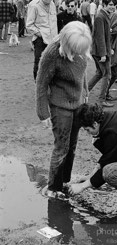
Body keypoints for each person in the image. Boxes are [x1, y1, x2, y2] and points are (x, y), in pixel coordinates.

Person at [36, 21, 92, 197]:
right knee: (62, 147)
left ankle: (65, 181)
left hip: (77, 103)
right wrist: (43, 113)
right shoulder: (52, 53)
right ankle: (53, 188)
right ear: (67, 44)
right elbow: (41, 83)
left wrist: (86, 92)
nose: (79, 54)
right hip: (60, 107)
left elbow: (82, 72)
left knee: (72, 145)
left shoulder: (81, 46)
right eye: (75, 50)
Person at [88, 0, 115, 107]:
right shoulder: (100, 17)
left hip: (101, 51)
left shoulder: (104, 15)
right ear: (104, 5)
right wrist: (103, 54)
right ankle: (101, 99)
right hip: (100, 52)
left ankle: (84, 92)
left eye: (113, 5)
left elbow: (105, 36)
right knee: (107, 75)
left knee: (99, 73)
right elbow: (99, 37)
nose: (112, 7)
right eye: (110, 5)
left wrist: (109, 49)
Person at [26, 0, 58, 80]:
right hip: (40, 40)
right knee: (39, 64)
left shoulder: (52, 4)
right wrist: (40, 34)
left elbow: (54, 23)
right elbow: (29, 25)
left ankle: (49, 86)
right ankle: (38, 87)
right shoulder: (34, 5)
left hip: (52, 41)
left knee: (52, 64)